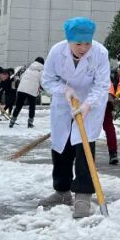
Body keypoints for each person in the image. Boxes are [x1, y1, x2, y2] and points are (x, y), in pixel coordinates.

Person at [39, 17, 111, 219]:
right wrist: (64, 90)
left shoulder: (100, 53)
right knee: (61, 147)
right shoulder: (57, 51)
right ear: (69, 40)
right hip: (64, 103)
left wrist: (88, 104)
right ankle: (62, 191)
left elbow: (102, 84)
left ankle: (83, 195)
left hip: (90, 105)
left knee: (84, 148)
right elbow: (47, 80)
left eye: (87, 43)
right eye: (78, 44)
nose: (83, 48)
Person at [10, 57, 44, 128]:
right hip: (32, 91)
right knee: (32, 107)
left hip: (21, 89)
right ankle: (30, 123)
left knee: (18, 105)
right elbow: (42, 82)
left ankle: (12, 121)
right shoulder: (41, 71)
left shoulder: (28, 69)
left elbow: (21, 77)